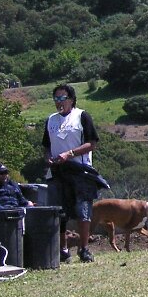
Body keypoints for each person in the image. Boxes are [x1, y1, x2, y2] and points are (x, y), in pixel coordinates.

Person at [43, 83, 100, 263]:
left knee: (83, 209)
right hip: (57, 171)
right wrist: (48, 158)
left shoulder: (82, 116)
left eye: (62, 98)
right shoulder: (51, 119)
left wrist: (70, 153)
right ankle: (62, 249)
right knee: (60, 212)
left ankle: (84, 249)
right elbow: (46, 146)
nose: (59, 102)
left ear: (72, 99)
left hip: (80, 170)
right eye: (56, 98)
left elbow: (92, 143)